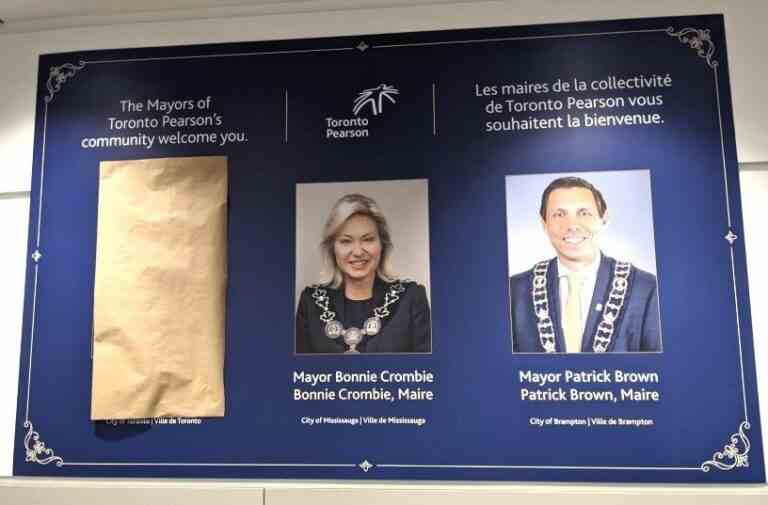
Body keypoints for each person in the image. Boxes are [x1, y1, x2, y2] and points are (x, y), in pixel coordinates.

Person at [509, 176, 661, 353]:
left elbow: (659, 370)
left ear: (603, 219)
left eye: (584, 213)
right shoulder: (514, 291)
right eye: (559, 214)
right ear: (544, 224)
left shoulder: (646, 289)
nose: (572, 225)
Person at [296, 193, 431, 354]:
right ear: (332, 248)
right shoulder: (311, 301)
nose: (358, 252)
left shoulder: (411, 298)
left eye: (368, 239)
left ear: (382, 244)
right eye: (346, 241)